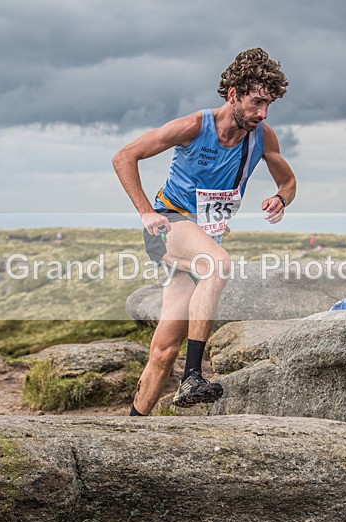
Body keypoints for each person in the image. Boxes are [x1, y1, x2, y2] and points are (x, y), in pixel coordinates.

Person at [112, 48, 297, 416]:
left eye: (269, 105)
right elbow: (124, 156)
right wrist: (146, 212)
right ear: (233, 95)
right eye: (257, 102)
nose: (263, 113)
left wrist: (281, 198)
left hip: (203, 236)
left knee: (164, 348)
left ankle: (132, 427)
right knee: (218, 265)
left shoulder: (262, 137)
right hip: (170, 224)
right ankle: (193, 375)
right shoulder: (195, 126)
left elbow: (289, 180)